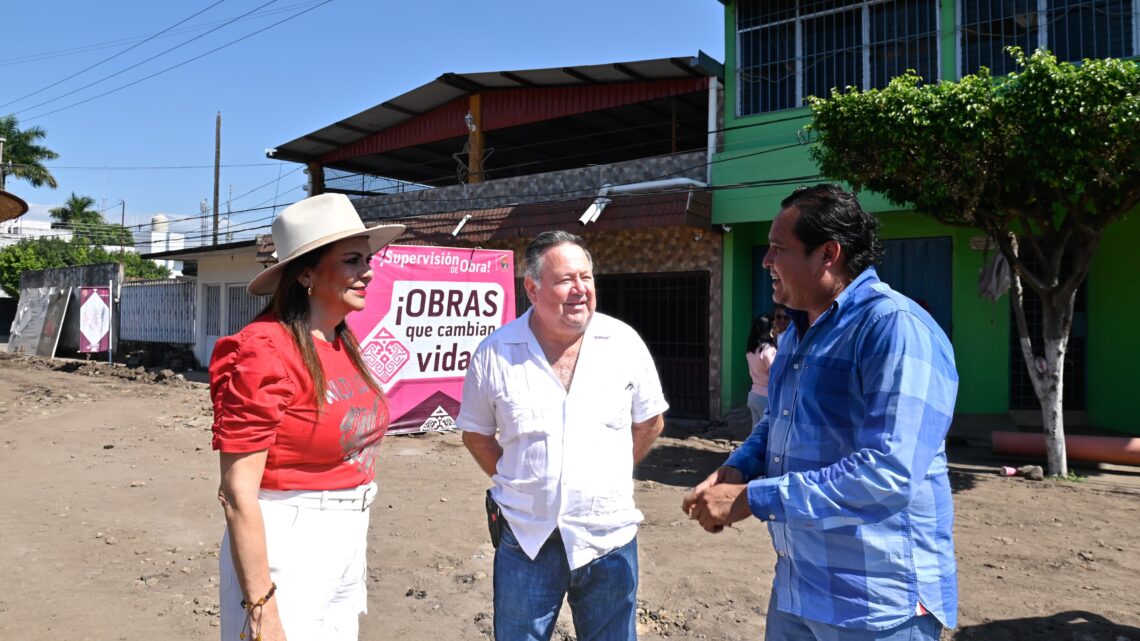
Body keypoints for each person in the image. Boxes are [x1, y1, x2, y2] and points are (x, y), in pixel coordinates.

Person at [683, 184, 959, 641]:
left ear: (828, 253)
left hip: (877, 606)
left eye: (778, 249)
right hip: (799, 588)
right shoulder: (797, 331)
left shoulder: (894, 329)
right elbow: (778, 419)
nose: (766, 261)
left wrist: (754, 499)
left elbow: (887, 474)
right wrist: (738, 467)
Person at [458, 230, 668, 641]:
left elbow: (650, 423)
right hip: (527, 538)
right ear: (532, 289)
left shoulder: (623, 343)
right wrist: (522, 480)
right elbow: (477, 435)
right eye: (565, 279)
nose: (580, 290)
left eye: (586, 277)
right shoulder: (495, 353)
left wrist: (608, 474)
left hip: (608, 536)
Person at [210, 193, 404, 641]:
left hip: (348, 533)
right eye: (352, 260)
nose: (368, 271)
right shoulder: (265, 349)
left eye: (368, 258)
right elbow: (237, 493)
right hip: (288, 543)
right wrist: (262, 607)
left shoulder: (341, 342)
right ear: (307, 275)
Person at [745, 314, 777, 427]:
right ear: (767, 330)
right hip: (766, 397)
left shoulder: (751, 350)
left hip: (753, 394)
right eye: (773, 327)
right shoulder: (768, 350)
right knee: (766, 435)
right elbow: (776, 373)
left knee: (756, 433)